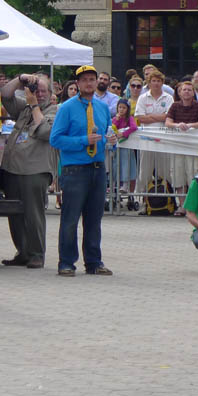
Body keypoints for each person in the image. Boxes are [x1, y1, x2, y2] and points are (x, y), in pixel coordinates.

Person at [49, 65, 116, 276]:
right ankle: (66, 262)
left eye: (92, 79)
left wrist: (112, 140)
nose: (89, 83)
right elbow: (55, 139)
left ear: (97, 82)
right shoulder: (67, 108)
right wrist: (82, 140)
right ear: (77, 84)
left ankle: (94, 261)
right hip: (75, 169)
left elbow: (106, 133)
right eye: (84, 80)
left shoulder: (102, 107)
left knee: (94, 219)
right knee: (70, 218)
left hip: (97, 168)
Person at [0, 72, 57, 269]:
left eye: (43, 91)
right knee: (15, 215)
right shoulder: (24, 109)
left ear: (51, 94)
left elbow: (45, 132)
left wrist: (34, 105)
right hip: (13, 169)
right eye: (35, 90)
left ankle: (36, 254)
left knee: (33, 215)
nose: (39, 94)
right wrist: (21, 79)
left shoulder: (53, 111)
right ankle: (22, 252)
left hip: (35, 171)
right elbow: (5, 96)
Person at [165, 80, 198, 216]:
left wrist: (190, 125)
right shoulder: (174, 106)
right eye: (184, 90)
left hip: (193, 147)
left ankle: (193, 205)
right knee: (178, 175)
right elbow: (168, 122)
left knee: (193, 174)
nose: (187, 92)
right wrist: (178, 125)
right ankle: (182, 205)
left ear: (193, 92)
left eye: (189, 90)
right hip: (177, 146)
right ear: (180, 92)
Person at [134, 70, 173, 211]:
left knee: (165, 170)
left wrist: (151, 116)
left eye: (158, 81)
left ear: (162, 82)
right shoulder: (143, 97)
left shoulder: (168, 98)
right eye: (153, 81)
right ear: (149, 83)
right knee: (145, 170)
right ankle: (144, 202)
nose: (156, 83)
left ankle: (168, 200)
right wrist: (159, 116)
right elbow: (140, 117)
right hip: (146, 138)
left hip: (163, 138)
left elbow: (168, 117)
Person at [111, 98, 138, 209]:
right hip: (117, 148)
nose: (121, 110)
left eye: (124, 108)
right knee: (115, 166)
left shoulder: (130, 118)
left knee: (127, 165)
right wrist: (117, 120)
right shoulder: (115, 118)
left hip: (127, 147)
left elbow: (134, 127)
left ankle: (126, 185)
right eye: (120, 107)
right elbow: (112, 128)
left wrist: (124, 133)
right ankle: (114, 187)